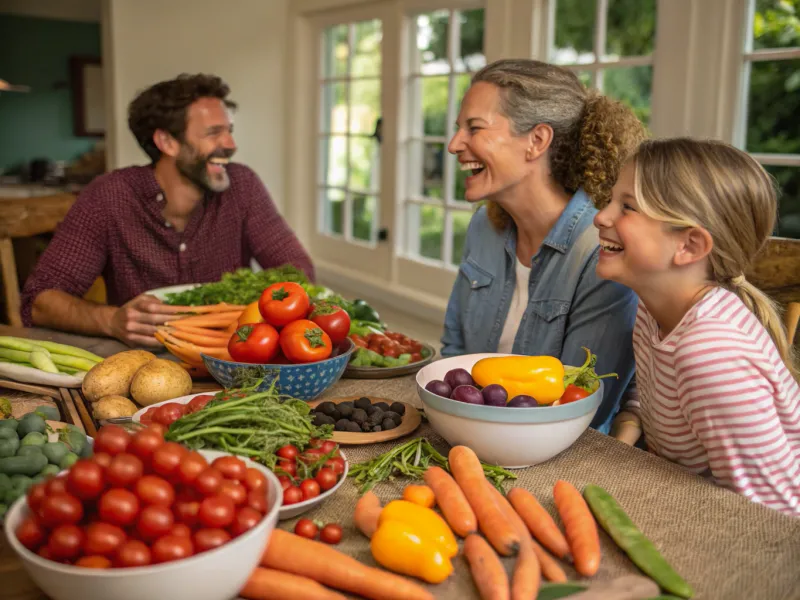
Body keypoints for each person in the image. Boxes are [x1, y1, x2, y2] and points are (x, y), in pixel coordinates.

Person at [21, 74, 314, 349]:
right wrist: (111, 320)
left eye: (229, 131)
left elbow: (297, 271)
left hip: (232, 356)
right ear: (167, 142)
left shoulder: (243, 185)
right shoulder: (110, 196)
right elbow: (40, 302)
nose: (231, 145)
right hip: (143, 362)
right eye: (214, 133)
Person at [597, 138, 800, 516]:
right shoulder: (653, 308)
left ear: (689, 246)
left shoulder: (712, 356)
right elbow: (658, 391)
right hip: (681, 493)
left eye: (626, 207)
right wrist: (624, 440)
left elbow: (773, 516)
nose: (601, 216)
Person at [441, 59, 646, 433]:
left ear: (537, 141)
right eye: (459, 129)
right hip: (470, 432)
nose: (455, 145)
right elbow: (454, 354)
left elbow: (582, 404)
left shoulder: (599, 249)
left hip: (559, 454)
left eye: (474, 128)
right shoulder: (484, 227)